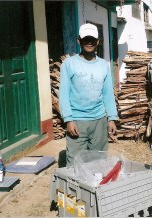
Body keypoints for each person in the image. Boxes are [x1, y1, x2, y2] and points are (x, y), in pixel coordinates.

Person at [59, 23, 118, 167]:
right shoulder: (69, 64)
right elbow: (64, 94)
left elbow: (108, 94)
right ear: (79, 41)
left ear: (98, 42)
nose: (89, 42)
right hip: (77, 121)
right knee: (74, 163)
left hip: (99, 120)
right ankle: (74, 190)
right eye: (86, 39)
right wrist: (68, 120)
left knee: (98, 161)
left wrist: (112, 118)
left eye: (92, 39)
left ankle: (95, 189)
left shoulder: (104, 65)